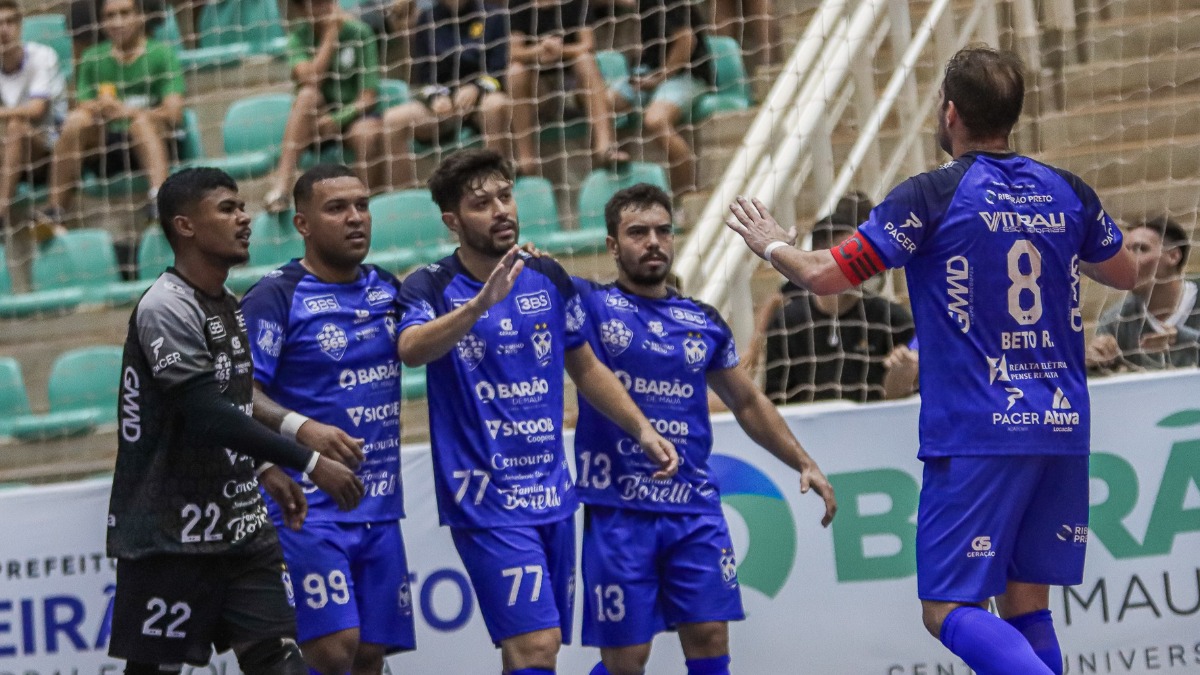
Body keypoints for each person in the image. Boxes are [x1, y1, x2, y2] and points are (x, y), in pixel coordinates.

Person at [725, 46, 1136, 674]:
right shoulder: (1067, 191)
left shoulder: (932, 196)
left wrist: (773, 243)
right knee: (1027, 604)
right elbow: (1126, 271)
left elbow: (826, 277)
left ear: (948, 113)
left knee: (946, 607)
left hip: (980, 430)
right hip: (1060, 423)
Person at [396, 148, 678, 675]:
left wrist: (642, 428)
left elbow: (587, 366)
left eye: (506, 196)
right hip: (483, 497)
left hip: (551, 492)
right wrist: (479, 305)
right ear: (452, 220)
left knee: (530, 653)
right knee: (538, 644)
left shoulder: (546, 274)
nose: (501, 210)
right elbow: (411, 348)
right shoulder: (429, 284)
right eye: (483, 203)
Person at [107, 167, 364, 675]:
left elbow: (236, 402)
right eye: (227, 208)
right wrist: (307, 460)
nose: (244, 218)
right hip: (169, 533)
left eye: (241, 206)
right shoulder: (166, 305)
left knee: (280, 658)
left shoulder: (227, 304)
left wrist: (259, 470)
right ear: (185, 226)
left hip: (242, 525)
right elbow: (205, 414)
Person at [574, 183, 836, 675]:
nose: (652, 241)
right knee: (627, 659)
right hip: (620, 509)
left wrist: (803, 460)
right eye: (636, 232)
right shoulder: (589, 306)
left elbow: (747, 400)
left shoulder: (700, 320)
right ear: (612, 246)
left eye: (661, 230)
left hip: (693, 508)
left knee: (710, 636)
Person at [240, 164, 415, 675]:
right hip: (306, 506)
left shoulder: (387, 288)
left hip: (379, 504)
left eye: (362, 205)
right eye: (337, 208)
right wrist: (301, 428)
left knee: (367, 656)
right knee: (334, 649)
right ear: (303, 224)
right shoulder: (275, 295)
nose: (356, 218)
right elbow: (238, 391)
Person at [41, 0, 185, 230]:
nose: (117, 22)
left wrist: (126, 111)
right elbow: (82, 106)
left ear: (140, 17)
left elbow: (174, 113)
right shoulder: (92, 58)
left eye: (125, 13)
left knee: (140, 122)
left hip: (153, 144)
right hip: (107, 146)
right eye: (110, 15)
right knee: (77, 121)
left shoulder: (161, 54)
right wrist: (100, 108)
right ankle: (54, 211)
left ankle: (159, 199)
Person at [754, 215, 915, 404]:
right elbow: (775, 398)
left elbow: (910, 398)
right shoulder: (787, 322)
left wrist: (902, 381)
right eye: (846, 254)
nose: (855, 261)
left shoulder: (891, 319)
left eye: (859, 252)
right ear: (818, 258)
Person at [263, 0, 383, 213]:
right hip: (316, 122)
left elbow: (368, 97)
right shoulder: (297, 38)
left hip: (354, 117)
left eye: (328, 2)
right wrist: (330, 37)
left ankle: (364, 207)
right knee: (307, 95)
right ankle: (281, 187)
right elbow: (310, 80)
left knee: (367, 134)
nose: (325, 8)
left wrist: (338, 120)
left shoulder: (359, 32)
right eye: (316, 4)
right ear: (302, 11)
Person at [382, 0, 512, 189]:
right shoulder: (428, 19)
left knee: (496, 105)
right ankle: (406, 199)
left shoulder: (494, 16)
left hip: (482, 99)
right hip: (444, 106)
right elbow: (423, 76)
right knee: (393, 119)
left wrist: (477, 88)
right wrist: (437, 97)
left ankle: (499, 187)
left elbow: (500, 69)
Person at [507, 0, 628, 175]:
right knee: (515, 71)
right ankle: (526, 159)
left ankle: (604, 147)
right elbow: (514, 52)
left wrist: (559, 50)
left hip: (575, 89)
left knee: (585, 60)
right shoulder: (519, 4)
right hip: (539, 91)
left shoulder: (575, 3)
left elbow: (588, 45)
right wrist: (541, 50)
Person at [610, 0, 714, 195]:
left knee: (655, 121)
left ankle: (686, 198)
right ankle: (616, 174)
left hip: (687, 73)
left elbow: (686, 41)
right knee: (605, 103)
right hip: (651, 71)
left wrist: (658, 79)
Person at [0, 0, 68, 290]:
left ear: (20, 25)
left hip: (50, 150)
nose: (3, 30)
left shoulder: (42, 56)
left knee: (16, 127)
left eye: (9, 22)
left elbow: (36, 110)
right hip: (8, 155)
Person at [1086, 216, 1199, 371]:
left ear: (1173, 256)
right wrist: (1093, 364)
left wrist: (1185, 339)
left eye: (1140, 249)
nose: (1128, 260)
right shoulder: (1115, 321)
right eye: (1126, 251)